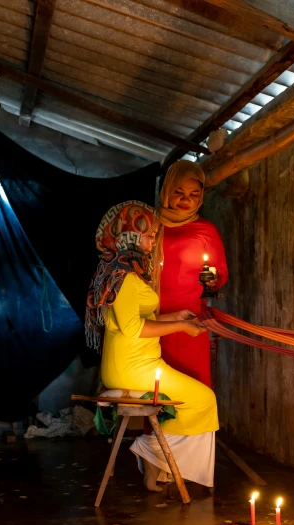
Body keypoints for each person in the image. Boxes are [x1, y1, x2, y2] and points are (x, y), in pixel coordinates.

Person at [85, 200, 218, 492]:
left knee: (200, 401)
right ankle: (149, 451)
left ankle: (155, 462)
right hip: (133, 368)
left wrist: (176, 316)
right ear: (129, 235)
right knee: (203, 400)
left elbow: (137, 318)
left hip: (134, 365)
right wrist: (181, 326)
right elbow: (133, 328)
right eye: (148, 234)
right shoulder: (125, 277)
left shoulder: (124, 272)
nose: (152, 240)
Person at [158, 160, 228, 388]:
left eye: (193, 194)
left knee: (192, 380)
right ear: (166, 190)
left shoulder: (206, 230)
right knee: (158, 386)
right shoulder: (149, 224)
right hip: (152, 317)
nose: (185, 200)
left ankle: (196, 425)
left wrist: (213, 277)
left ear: (201, 198)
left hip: (190, 317)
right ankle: (159, 426)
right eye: (178, 192)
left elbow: (221, 273)